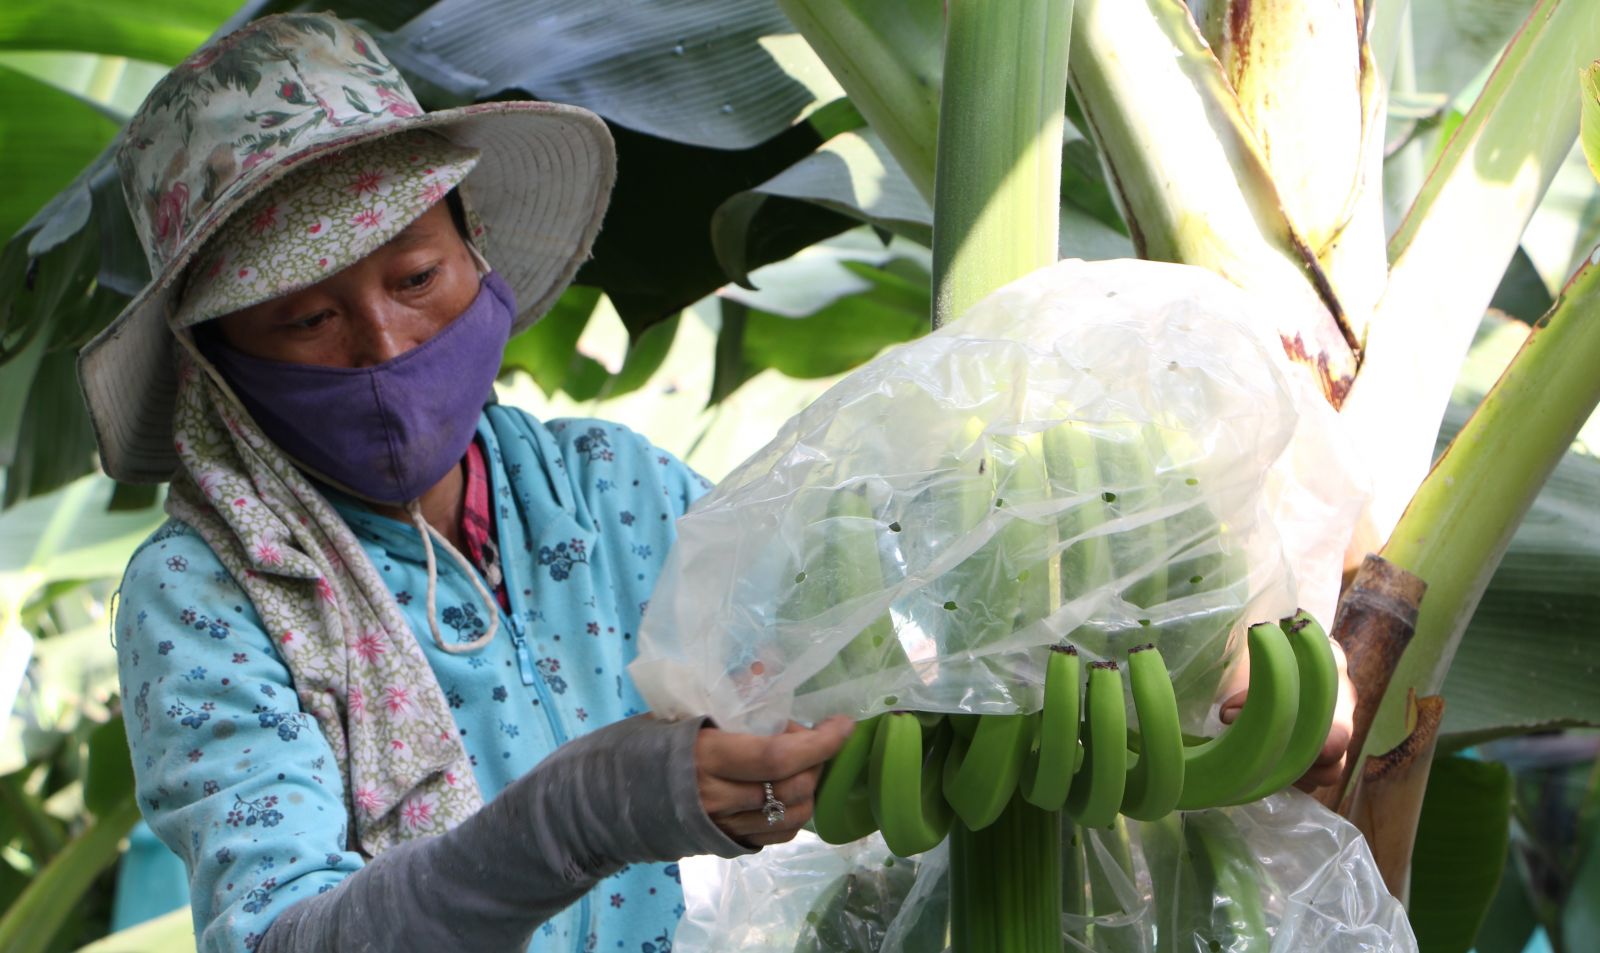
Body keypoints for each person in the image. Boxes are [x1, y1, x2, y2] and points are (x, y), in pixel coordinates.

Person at [89, 13, 851, 953]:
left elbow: (834, 649)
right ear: (219, 361)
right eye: (306, 318)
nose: (381, 344)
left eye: (415, 277)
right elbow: (279, 937)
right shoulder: (210, 593)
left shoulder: (616, 487)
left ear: (474, 251)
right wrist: (579, 814)